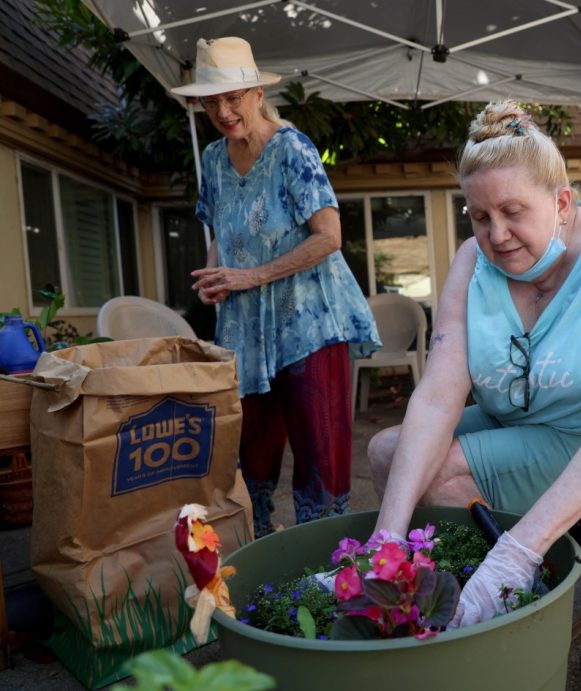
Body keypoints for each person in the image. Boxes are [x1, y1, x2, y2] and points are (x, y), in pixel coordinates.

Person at [369, 101, 581, 628]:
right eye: (480, 216)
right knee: (385, 452)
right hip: (542, 412)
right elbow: (439, 394)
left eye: (512, 212)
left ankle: (490, 611)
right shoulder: (473, 260)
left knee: (439, 477)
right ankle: (403, 582)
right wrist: (383, 541)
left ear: (560, 202)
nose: (497, 235)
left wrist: (520, 549)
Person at [171, 37, 379, 539]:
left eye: (233, 97)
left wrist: (251, 275)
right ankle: (261, 551)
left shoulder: (292, 148)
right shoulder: (215, 160)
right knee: (251, 453)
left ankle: (331, 562)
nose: (223, 110)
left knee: (319, 454)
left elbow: (329, 236)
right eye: (211, 101)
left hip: (308, 320)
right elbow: (222, 230)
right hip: (245, 327)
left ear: (258, 93)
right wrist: (214, 277)